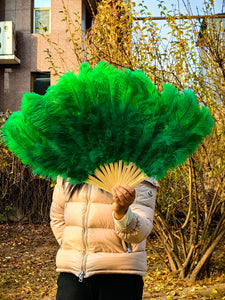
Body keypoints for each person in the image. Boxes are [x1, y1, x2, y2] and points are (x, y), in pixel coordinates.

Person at [50, 176, 158, 300]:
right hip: (72, 277)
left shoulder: (139, 170)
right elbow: (57, 218)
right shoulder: (69, 168)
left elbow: (140, 233)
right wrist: (73, 249)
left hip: (121, 278)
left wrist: (122, 214)